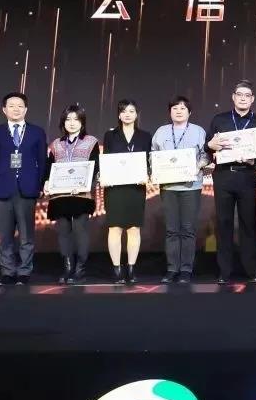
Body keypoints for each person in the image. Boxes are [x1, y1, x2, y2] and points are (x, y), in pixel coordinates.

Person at [206, 79, 256, 284]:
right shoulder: (220, 120)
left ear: (252, 99)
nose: (243, 98)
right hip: (224, 176)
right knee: (223, 223)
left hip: (247, 176)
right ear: (233, 97)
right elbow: (208, 147)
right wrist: (210, 145)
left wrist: (255, 159)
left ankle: (251, 270)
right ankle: (224, 271)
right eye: (239, 95)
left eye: (247, 95)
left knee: (248, 223)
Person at [0, 91, 47, 286]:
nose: (16, 109)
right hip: (2, 188)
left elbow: (42, 162)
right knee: (5, 236)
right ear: (4, 110)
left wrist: (41, 185)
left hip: (28, 189)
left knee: (27, 235)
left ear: (26, 109)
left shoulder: (37, 132)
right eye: (11, 106)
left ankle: (25, 272)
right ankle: (7, 272)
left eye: (20, 106)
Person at [152, 96, 208, 284]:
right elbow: (153, 155)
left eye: (183, 108)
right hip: (168, 187)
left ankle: (186, 269)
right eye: (175, 108)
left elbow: (206, 155)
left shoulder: (198, 131)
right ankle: (171, 269)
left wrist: (198, 166)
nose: (178, 111)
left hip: (191, 187)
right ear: (170, 112)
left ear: (189, 112)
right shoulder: (161, 132)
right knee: (172, 230)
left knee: (188, 229)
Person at [45, 104, 100, 284]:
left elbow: (95, 166)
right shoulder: (56, 144)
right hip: (60, 195)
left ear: (82, 122)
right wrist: (46, 182)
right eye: (68, 119)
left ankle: (80, 269)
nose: (72, 123)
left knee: (80, 231)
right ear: (63, 122)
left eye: (76, 119)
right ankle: (68, 268)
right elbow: (49, 167)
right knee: (63, 233)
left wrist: (83, 184)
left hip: (81, 195)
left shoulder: (91, 142)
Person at [102, 99, 153, 284]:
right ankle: (116, 269)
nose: (127, 114)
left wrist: (147, 174)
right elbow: (106, 159)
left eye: (131, 111)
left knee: (133, 228)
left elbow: (149, 161)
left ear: (136, 114)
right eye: (124, 111)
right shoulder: (110, 135)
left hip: (136, 188)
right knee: (115, 228)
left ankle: (131, 268)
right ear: (119, 114)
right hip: (115, 188)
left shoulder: (145, 136)